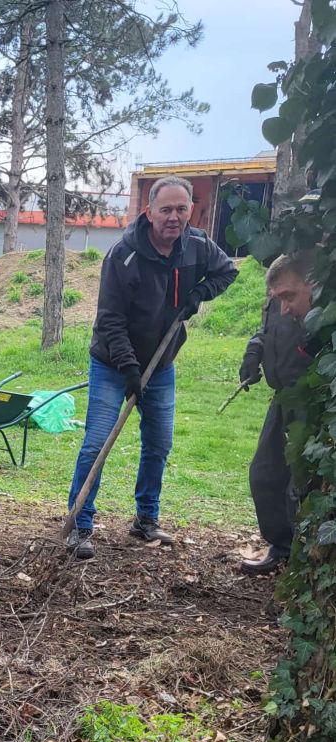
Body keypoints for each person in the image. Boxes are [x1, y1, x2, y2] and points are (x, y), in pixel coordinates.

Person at [66, 175, 238, 560]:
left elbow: (227, 271)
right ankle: (79, 524)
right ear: (150, 211)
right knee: (97, 443)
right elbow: (110, 320)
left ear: (190, 210)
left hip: (161, 366)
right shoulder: (123, 255)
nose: (174, 217)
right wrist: (128, 368)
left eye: (181, 208)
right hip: (113, 364)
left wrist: (199, 294)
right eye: (166, 209)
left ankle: (145, 519)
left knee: (158, 444)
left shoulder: (196, 245)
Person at [239, 252, 316, 575]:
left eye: (288, 296)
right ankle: (281, 546)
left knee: (301, 483)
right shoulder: (279, 295)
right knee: (265, 474)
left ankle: (306, 557)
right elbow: (266, 329)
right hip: (281, 396)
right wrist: (254, 351)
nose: (284, 305)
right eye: (278, 298)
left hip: (309, 400)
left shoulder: (322, 317)